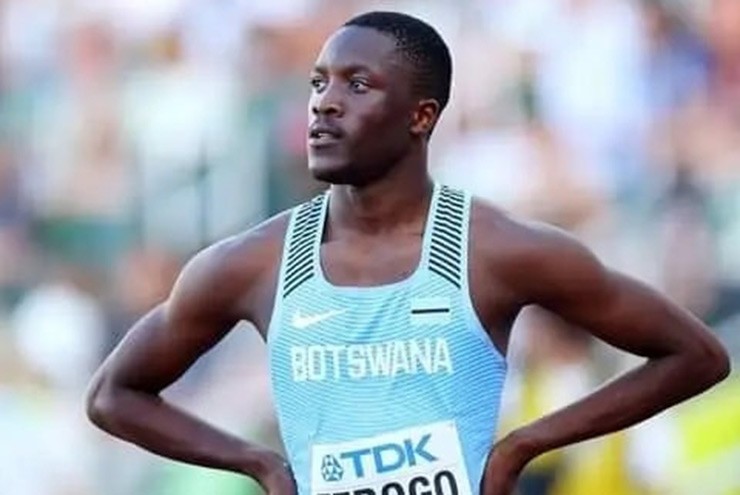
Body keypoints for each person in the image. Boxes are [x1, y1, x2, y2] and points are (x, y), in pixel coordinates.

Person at [85, 11, 730, 495]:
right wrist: (259, 463)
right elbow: (114, 395)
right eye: (318, 83)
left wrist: (523, 445)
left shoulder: (494, 250)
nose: (324, 104)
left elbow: (695, 356)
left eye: (357, 84)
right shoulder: (254, 263)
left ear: (421, 116)